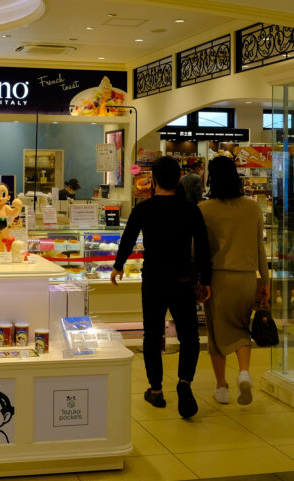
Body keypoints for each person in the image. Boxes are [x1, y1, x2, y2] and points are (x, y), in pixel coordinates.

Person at [111, 155, 211, 419]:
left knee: (152, 336)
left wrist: (118, 266)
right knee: (189, 336)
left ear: (153, 181)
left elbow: (128, 239)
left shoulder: (144, 209)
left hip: (154, 280)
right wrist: (205, 280)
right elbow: (203, 247)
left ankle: (156, 390)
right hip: (183, 281)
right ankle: (184, 381)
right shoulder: (191, 210)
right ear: (178, 180)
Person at [198, 155, 270, 405]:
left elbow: (199, 249)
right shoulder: (252, 208)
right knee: (241, 328)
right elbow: (260, 249)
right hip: (247, 278)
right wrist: (265, 281)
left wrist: (198, 280)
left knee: (216, 334)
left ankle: (221, 387)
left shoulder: (204, 209)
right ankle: (244, 373)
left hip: (218, 279)